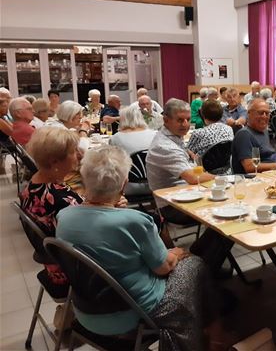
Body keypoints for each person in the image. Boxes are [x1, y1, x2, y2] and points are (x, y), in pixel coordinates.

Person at [56, 145, 226, 350]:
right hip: (130, 311)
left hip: (86, 310)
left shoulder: (64, 217)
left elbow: (98, 231)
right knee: (194, 263)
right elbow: (163, 267)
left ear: (85, 180)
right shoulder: (134, 220)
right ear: (124, 183)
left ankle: (209, 332)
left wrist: (111, 208)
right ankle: (208, 335)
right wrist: (175, 253)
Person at [20, 127, 83, 285]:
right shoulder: (60, 199)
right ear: (54, 161)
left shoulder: (33, 184)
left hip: (54, 265)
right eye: (73, 151)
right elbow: (91, 235)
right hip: (74, 270)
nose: (79, 155)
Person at [146, 99, 215, 224]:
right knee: (226, 211)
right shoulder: (164, 146)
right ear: (165, 120)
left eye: (188, 120)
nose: (185, 124)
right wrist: (221, 178)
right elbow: (193, 178)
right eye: (180, 120)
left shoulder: (173, 136)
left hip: (187, 194)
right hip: (171, 205)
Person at [109, 104, 157, 196]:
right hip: (158, 184)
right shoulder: (155, 134)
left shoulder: (116, 138)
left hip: (130, 187)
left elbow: (114, 165)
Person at [231, 99, 276, 174]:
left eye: (267, 113)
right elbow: (250, 167)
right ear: (249, 114)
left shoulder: (264, 131)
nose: (264, 116)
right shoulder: (244, 135)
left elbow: (270, 154)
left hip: (272, 174)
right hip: (252, 181)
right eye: (260, 113)